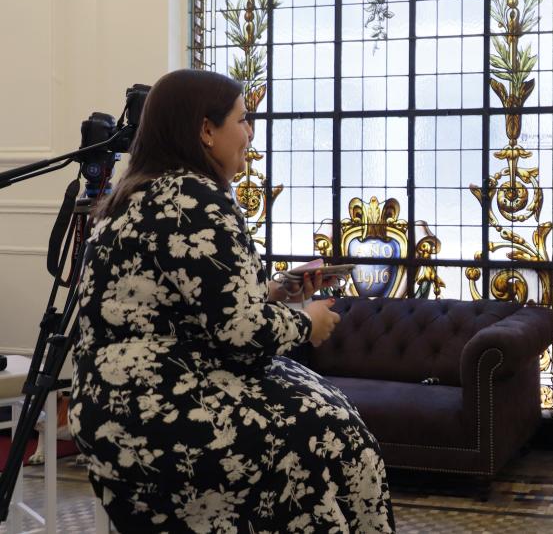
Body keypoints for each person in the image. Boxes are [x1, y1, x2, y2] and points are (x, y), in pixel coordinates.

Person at [68, 69, 395, 532]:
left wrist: (276, 293)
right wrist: (307, 321)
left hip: (108, 407)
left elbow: (192, 306)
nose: (250, 133)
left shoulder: (132, 196)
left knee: (323, 437)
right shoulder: (196, 197)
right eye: (243, 120)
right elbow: (241, 334)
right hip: (163, 409)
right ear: (205, 130)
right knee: (332, 436)